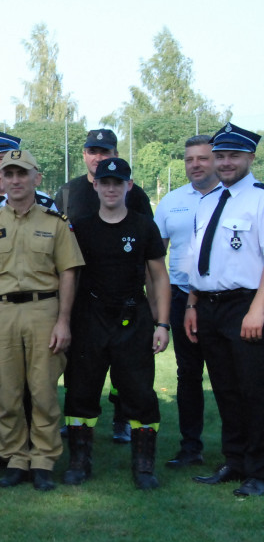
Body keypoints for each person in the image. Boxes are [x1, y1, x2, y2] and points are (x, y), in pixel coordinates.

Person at [0, 149, 84, 491]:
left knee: (44, 389)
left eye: (22, 174)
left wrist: (63, 321)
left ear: (37, 178)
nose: (15, 181)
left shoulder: (55, 224)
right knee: (7, 390)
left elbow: (68, 273)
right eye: (9, 174)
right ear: (0, 179)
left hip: (43, 311)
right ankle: (15, 458)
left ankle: (44, 460)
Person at [62, 157, 170, 490]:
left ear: (129, 186)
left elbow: (159, 277)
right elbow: (71, 276)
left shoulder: (143, 226)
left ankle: (143, 466)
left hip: (132, 318)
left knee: (139, 393)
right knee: (81, 390)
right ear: (94, 185)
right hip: (89, 318)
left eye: (117, 183)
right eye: (104, 183)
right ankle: (80, 462)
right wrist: (64, 320)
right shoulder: (79, 226)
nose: (111, 188)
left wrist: (162, 323)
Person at [184, 123, 264, 497]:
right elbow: (203, 262)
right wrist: (192, 305)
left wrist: (257, 311)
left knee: (254, 390)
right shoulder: (209, 201)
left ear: (250, 157)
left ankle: (259, 470)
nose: (226, 162)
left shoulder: (260, 199)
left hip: (246, 306)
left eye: (234, 155)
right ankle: (234, 461)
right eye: (221, 156)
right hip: (209, 307)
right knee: (225, 390)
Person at [153, 136, 219, 468]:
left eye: (203, 158)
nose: (195, 164)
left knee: (229, 374)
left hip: (224, 299)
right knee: (188, 373)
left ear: (216, 160)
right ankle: (190, 446)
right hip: (181, 296)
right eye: (189, 159)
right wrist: (156, 304)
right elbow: (154, 257)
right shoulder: (172, 202)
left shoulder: (232, 198)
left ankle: (242, 448)